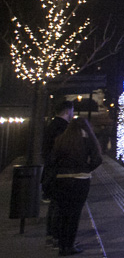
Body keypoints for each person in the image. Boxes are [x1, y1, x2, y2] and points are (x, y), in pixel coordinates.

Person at [46, 117, 102, 256]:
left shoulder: (61, 139)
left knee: (63, 212)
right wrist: (86, 169)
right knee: (74, 213)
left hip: (62, 179)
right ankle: (69, 245)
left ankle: (61, 244)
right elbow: (97, 159)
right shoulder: (88, 139)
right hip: (80, 180)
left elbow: (53, 160)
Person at [41, 101, 74, 246]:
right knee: (61, 206)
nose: (73, 114)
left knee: (55, 204)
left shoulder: (51, 126)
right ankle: (57, 237)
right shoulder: (63, 128)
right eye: (72, 111)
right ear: (67, 111)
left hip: (52, 171)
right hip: (61, 172)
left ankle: (51, 236)